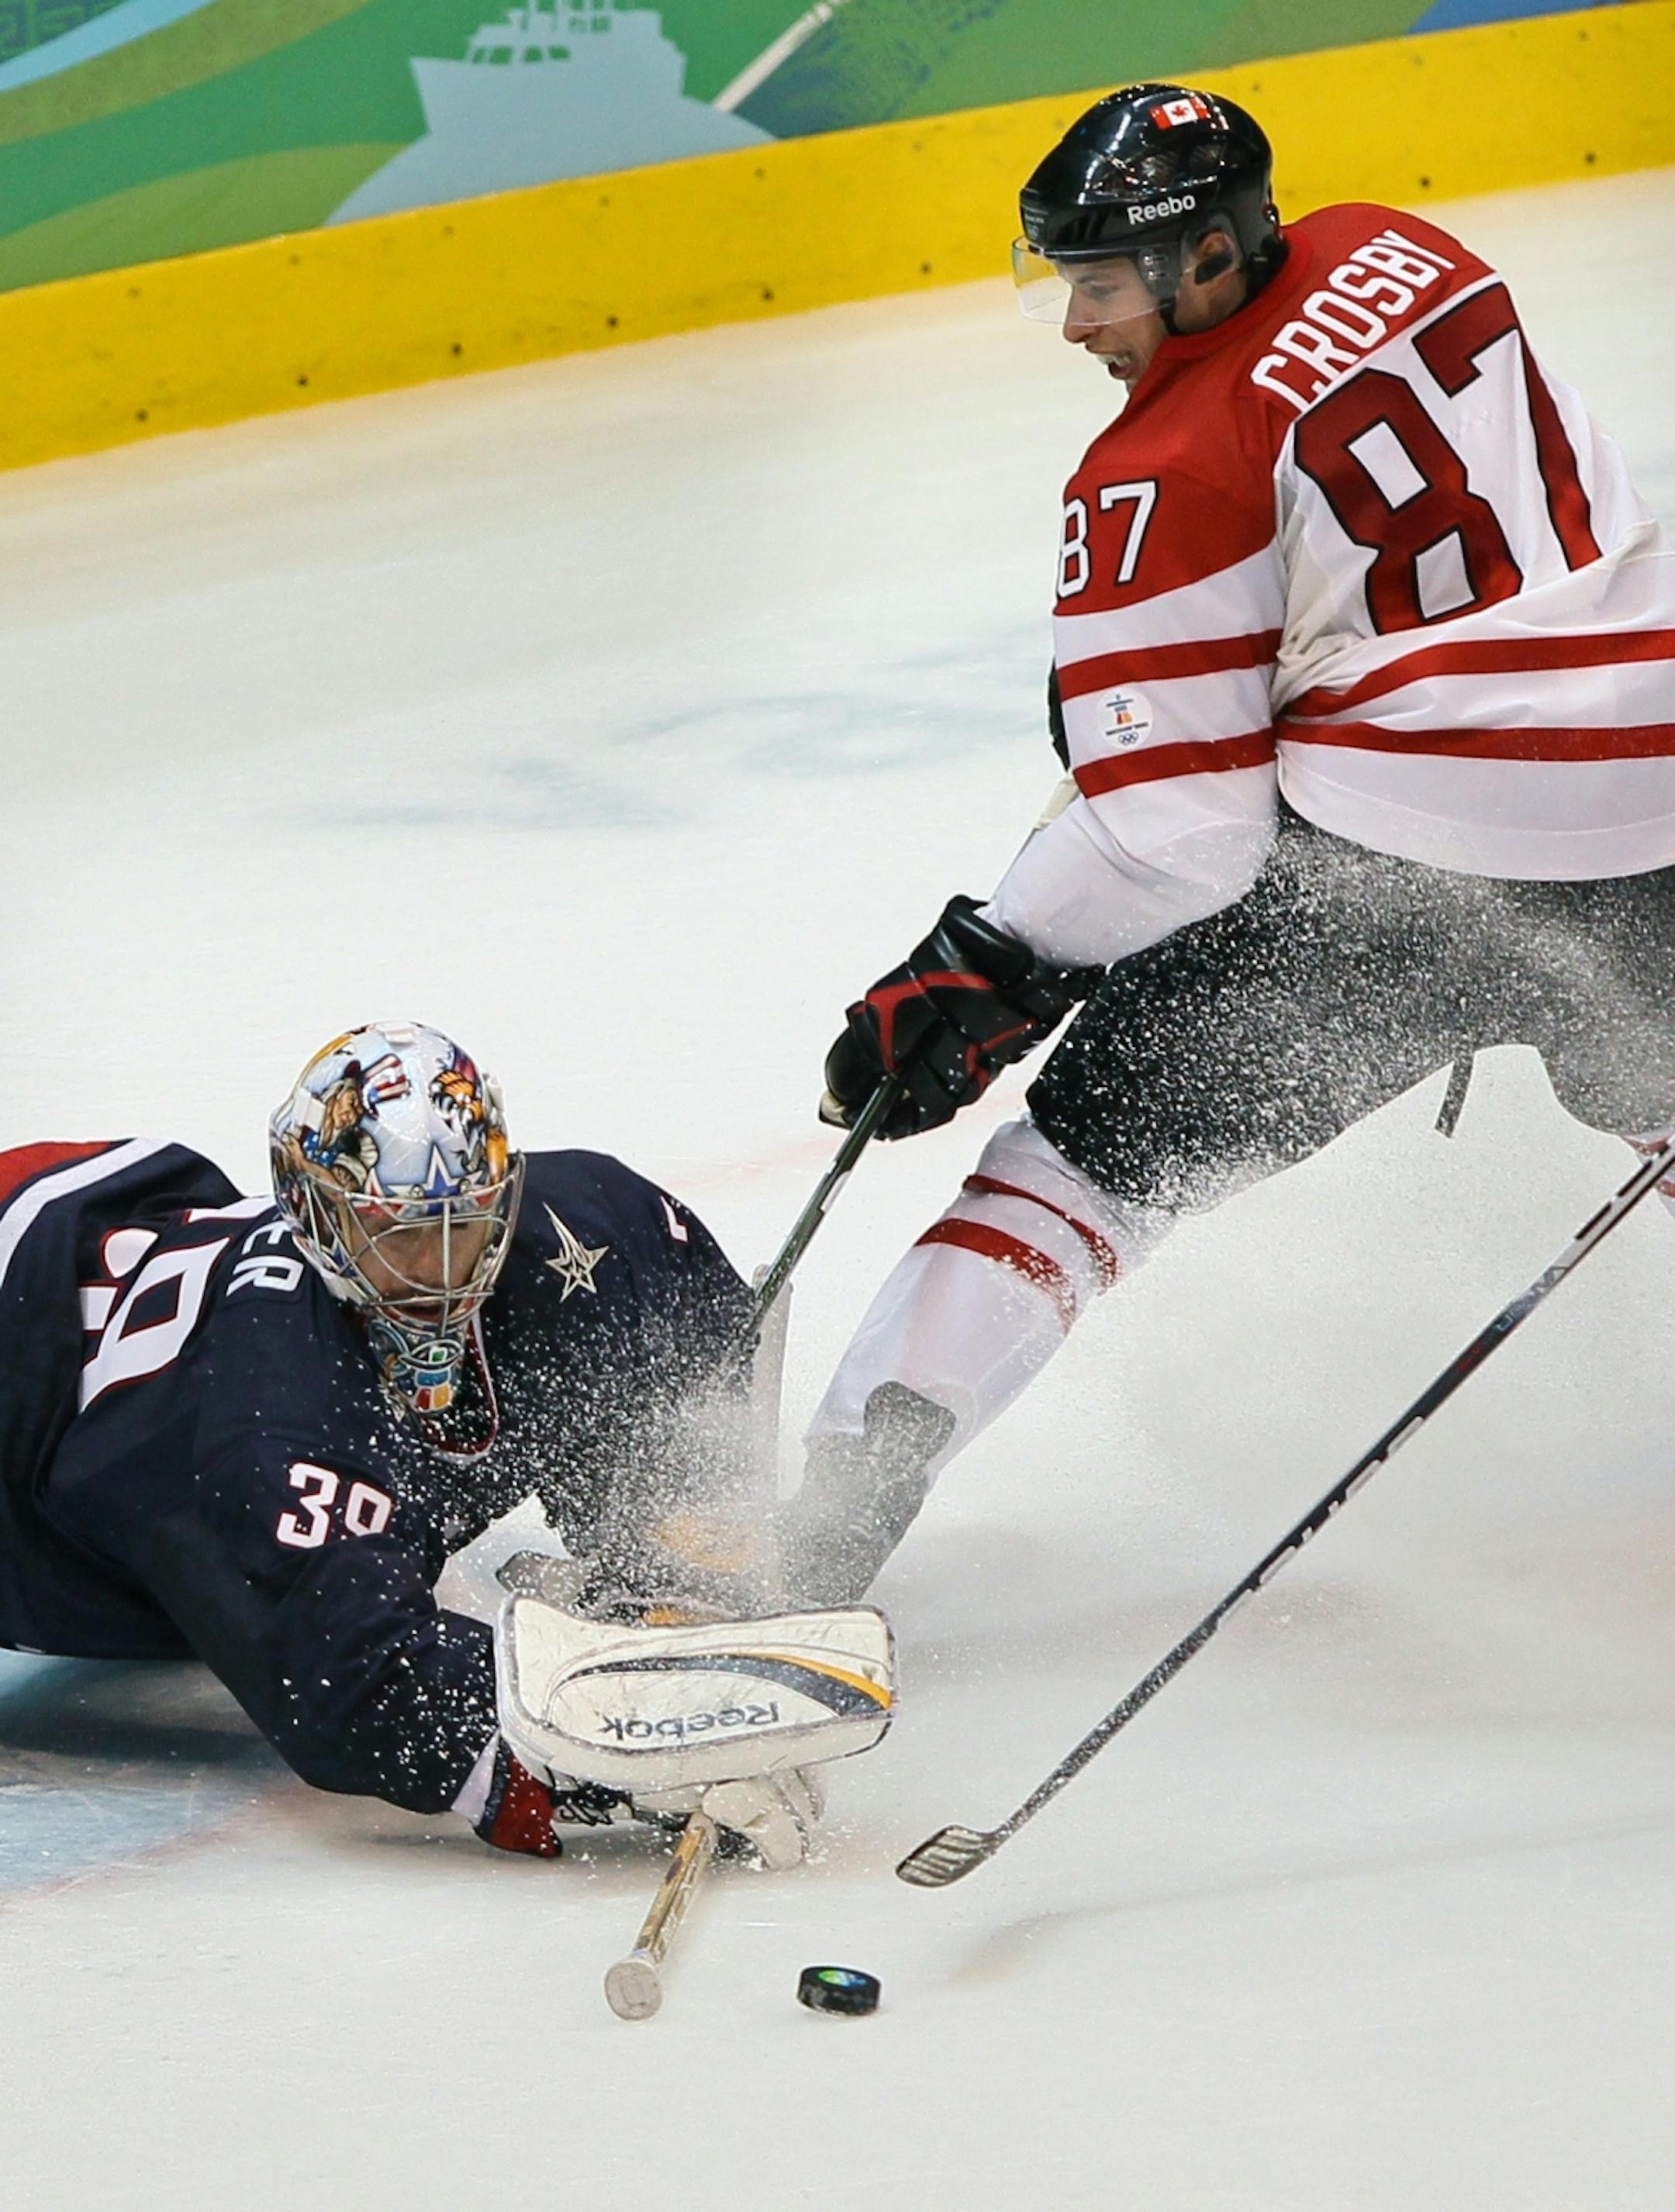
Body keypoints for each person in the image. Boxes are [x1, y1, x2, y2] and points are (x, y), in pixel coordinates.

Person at [779, 84, 1675, 1604]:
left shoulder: (1160, 471)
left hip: (1411, 884)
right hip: (1658, 815)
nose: (1076, 322)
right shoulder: (1409, 251)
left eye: (1104, 283)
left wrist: (983, 963)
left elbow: (1178, 837)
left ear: (1206, 257)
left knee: (1084, 1161)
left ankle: (815, 1537)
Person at [0, 1021, 807, 1860]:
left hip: (87, 1238)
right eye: (403, 1238)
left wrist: (673, 1545)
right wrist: (621, 1744)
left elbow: (689, 1327)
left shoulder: (594, 1221)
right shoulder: (275, 1423)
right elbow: (361, 1687)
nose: (445, 1268)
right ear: (312, 1217)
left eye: (466, 1220)